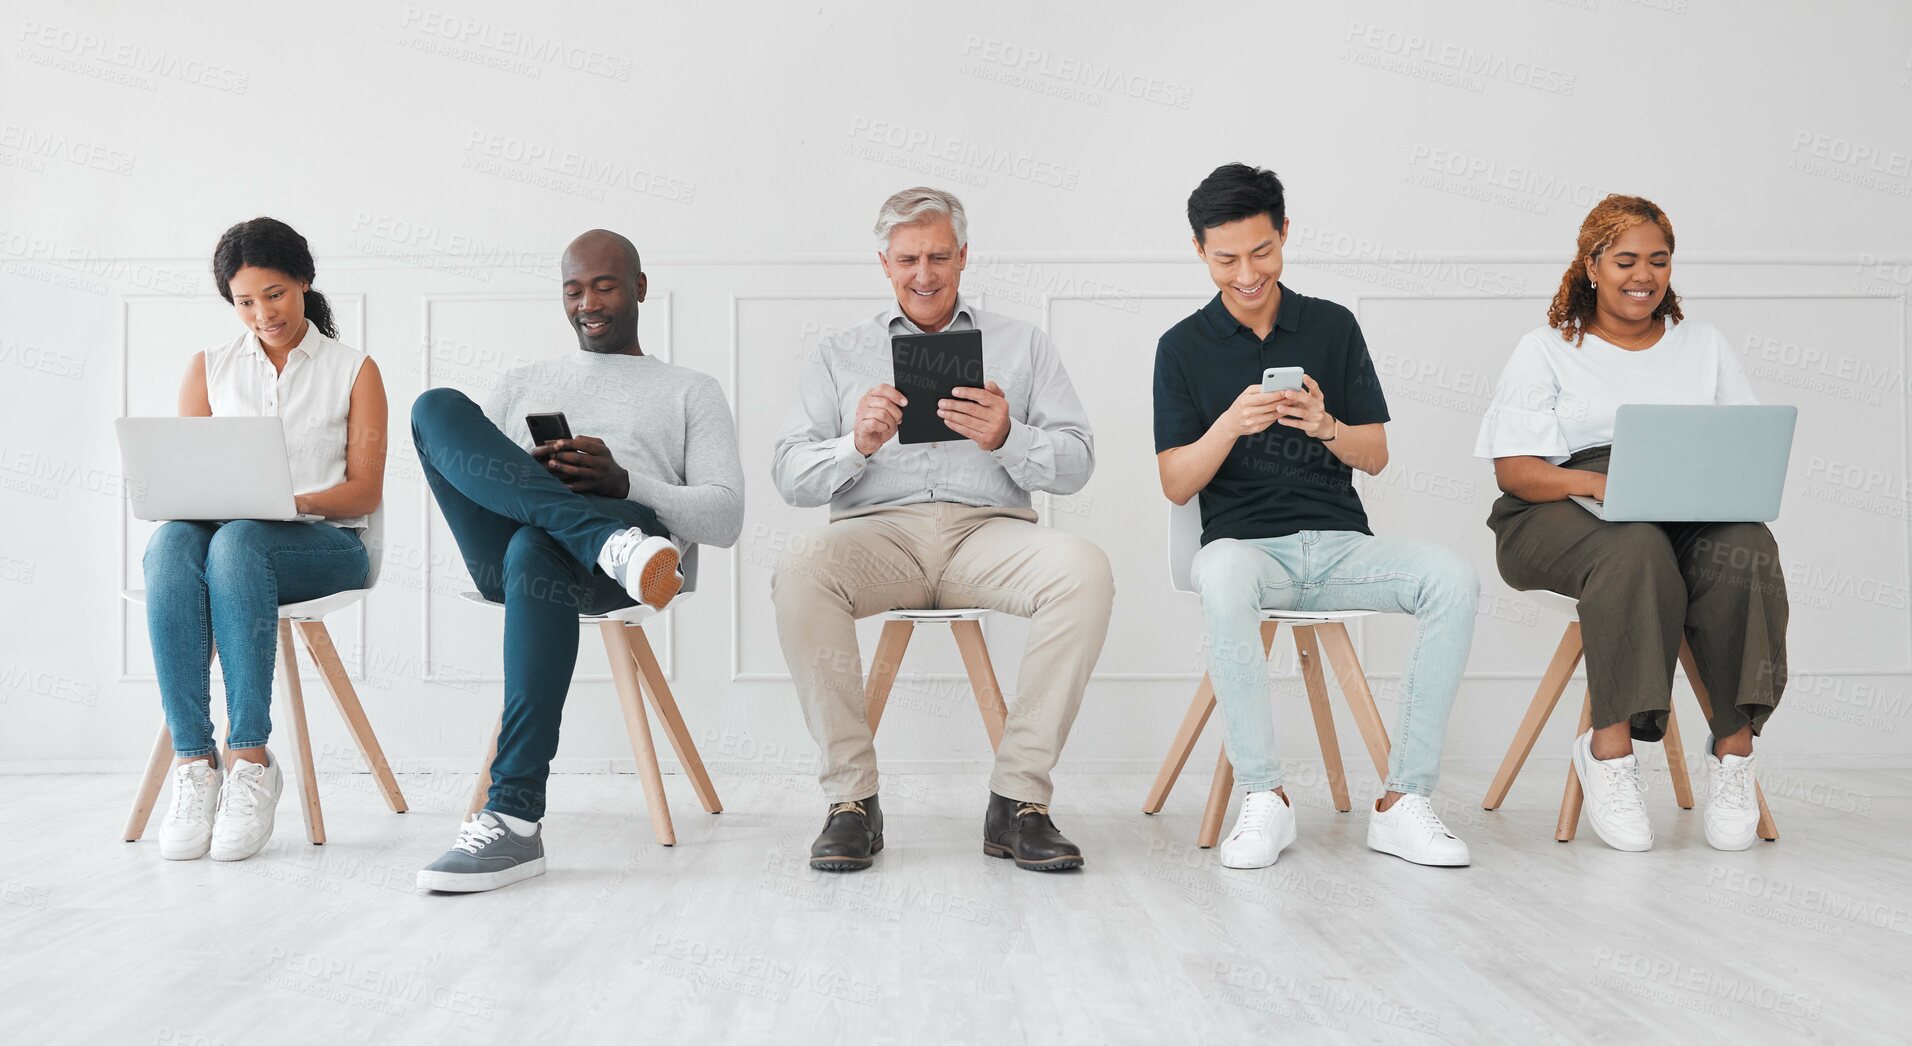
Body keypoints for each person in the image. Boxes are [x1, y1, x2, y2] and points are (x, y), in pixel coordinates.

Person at [770, 187, 1113, 873]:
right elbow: (789, 475)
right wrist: (855, 446)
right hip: (879, 537)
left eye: (937, 256)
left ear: (964, 256)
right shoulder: (839, 354)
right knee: (800, 566)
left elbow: (1077, 462)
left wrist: (1010, 435)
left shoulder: (1023, 344)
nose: (923, 275)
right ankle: (851, 803)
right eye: (906, 260)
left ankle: (1019, 802)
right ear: (883, 263)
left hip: (990, 534)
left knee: (1085, 570)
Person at [1154, 164, 1479, 870]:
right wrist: (1230, 426)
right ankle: (1264, 797)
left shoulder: (1333, 325)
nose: (1247, 273)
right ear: (1199, 251)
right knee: (1226, 575)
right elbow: (1176, 483)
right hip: (1245, 552)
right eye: (1226, 258)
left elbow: (1378, 456)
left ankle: (1405, 802)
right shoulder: (1180, 347)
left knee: (1452, 579)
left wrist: (1327, 424)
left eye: (1262, 252)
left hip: (1339, 550)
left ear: (1285, 235)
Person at [411, 229, 744, 892]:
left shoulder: (690, 390)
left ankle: (513, 820)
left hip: (626, 553)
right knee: (434, 407)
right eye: (573, 289)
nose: (587, 301)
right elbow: (475, 473)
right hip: (524, 546)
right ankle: (596, 534)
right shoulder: (521, 382)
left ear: (641, 288)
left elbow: (726, 518)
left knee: (541, 543)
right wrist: (531, 480)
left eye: (604, 284)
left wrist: (624, 484)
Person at [1476, 194, 1787, 853]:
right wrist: (1595, 482)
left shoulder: (1703, 345)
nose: (1643, 274)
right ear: (1590, 265)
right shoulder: (1548, 349)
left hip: (1683, 505)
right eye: (1624, 260)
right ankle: (1610, 754)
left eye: (1658, 260)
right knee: (1635, 549)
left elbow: (1743, 445)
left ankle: (1734, 755)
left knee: (1749, 548)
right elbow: (1516, 471)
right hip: (1555, 510)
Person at [146, 217, 388, 862]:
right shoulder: (209, 368)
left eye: (275, 294)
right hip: (233, 542)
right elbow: (190, 485)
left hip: (327, 546)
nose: (262, 313)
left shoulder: (354, 370)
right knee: (172, 545)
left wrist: (288, 503)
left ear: (305, 281)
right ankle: (196, 763)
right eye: (245, 301)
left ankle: (250, 757)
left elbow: (364, 491)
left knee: (240, 543)